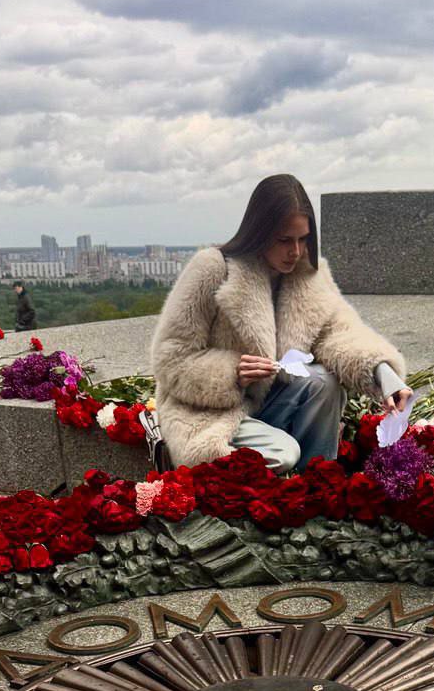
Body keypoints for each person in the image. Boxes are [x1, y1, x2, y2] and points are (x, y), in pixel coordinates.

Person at [151, 174, 410, 473]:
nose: (296, 251)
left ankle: (315, 482)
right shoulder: (213, 268)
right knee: (283, 453)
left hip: (268, 403)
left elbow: (340, 333)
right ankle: (288, 488)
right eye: (285, 240)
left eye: (303, 239)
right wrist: (232, 372)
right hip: (209, 414)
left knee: (325, 383)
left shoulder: (309, 274)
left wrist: (384, 375)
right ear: (260, 232)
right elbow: (169, 358)